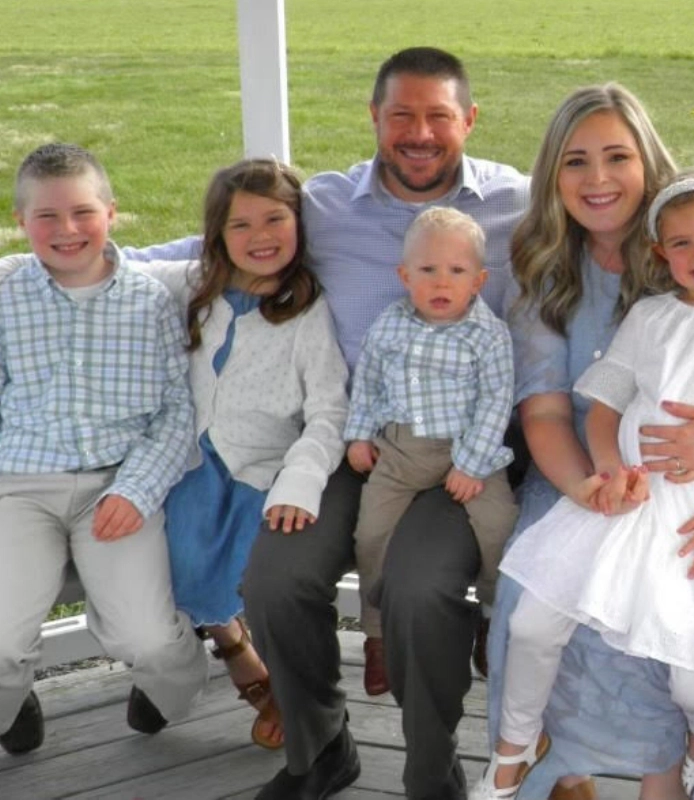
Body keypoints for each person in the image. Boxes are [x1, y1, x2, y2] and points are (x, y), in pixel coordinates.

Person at [122, 47, 529, 800]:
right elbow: (220, 243)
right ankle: (319, 747)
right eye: (400, 114)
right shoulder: (329, 204)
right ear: (374, 117)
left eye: (438, 115)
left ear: (468, 119)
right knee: (275, 579)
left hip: (467, 453)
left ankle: (430, 763)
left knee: (418, 586)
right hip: (354, 443)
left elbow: (610, 236)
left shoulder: (520, 204)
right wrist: (72, 257)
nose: (418, 133)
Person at [475, 169, 694, 800]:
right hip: (630, 501)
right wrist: (609, 468)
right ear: (661, 253)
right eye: (681, 243)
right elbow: (607, 406)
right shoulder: (653, 315)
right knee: (531, 624)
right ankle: (515, 745)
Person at [0, 143, 207, 757]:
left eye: (83, 212)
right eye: (46, 217)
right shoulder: (6, 297)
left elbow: (176, 410)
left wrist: (136, 489)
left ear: (112, 214)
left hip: (117, 486)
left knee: (150, 641)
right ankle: (12, 700)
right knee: (2, 641)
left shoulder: (149, 302)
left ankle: (161, 689)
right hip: (18, 486)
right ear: (21, 223)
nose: (67, 230)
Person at [145, 159, 347, 752]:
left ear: (299, 224)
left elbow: (329, 413)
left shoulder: (308, 311)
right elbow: (113, 265)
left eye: (275, 219)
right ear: (216, 235)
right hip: (188, 462)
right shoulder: (193, 285)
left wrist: (301, 480)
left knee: (257, 571)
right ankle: (231, 648)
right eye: (241, 225)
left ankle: (279, 678)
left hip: (264, 469)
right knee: (172, 554)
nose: (260, 237)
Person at [345, 206, 518, 671]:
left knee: (500, 527)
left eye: (456, 271)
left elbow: (496, 401)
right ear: (405, 275)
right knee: (370, 533)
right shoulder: (389, 325)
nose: (442, 283)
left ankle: (489, 614)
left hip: (467, 449)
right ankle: (377, 631)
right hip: (400, 450)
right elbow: (368, 382)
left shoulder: (489, 336)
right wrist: (359, 434)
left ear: (478, 281)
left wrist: (473, 464)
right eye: (428, 270)